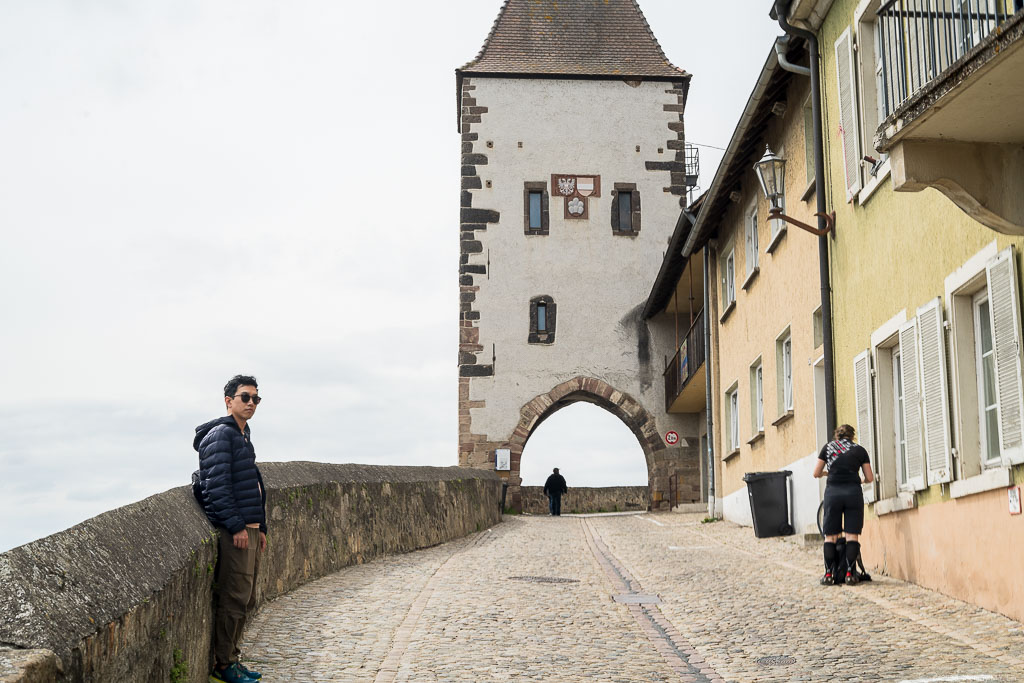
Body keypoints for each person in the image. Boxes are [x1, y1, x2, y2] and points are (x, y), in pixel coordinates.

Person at [194, 375, 267, 683]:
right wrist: (237, 526)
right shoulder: (220, 436)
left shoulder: (242, 433)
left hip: (250, 530)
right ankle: (224, 665)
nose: (251, 403)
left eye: (255, 399)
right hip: (235, 531)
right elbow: (217, 486)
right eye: (245, 397)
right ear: (229, 401)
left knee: (246, 598)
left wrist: (259, 526)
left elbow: (249, 484)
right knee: (234, 598)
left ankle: (233, 660)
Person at [813, 423, 874, 586]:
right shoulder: (859, 450)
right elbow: (869, 477)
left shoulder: (828, 448)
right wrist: (859, 479)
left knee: (830, 536)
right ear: (852, 436)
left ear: (837, 435)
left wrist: (828, 472)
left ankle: (828, 574)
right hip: (853, 493)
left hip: (833, 493)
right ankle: (849, 574)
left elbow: (816, 473)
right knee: (851, 535)